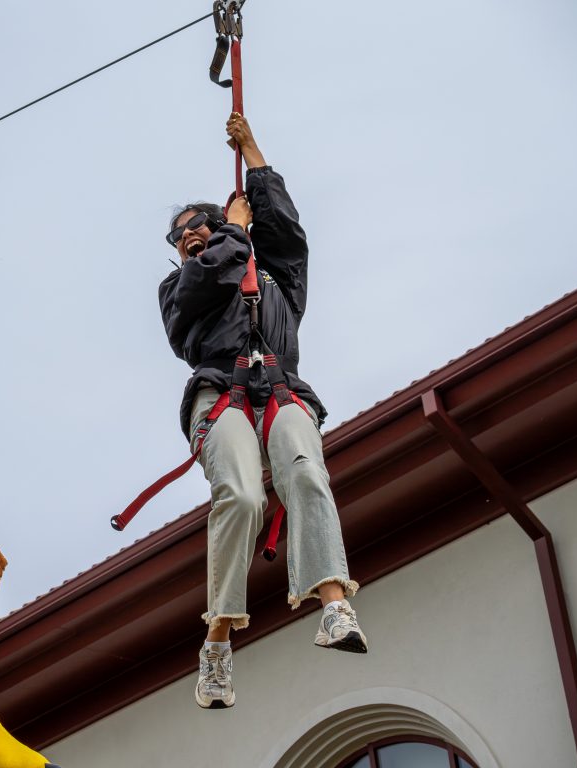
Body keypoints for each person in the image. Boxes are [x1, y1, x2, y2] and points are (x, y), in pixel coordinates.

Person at [158, 112, 368, 710]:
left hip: (281, 389)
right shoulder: (179, 291)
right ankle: (218, 642)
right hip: (218, 393)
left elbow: (285, 229)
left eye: (195, 224)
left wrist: (252, 155)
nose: (186, 236)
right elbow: (212, 274)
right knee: (243, 497)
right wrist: (232, 231)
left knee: (304, 470)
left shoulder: (279, 279)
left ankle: (333, 603)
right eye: (178, 237)